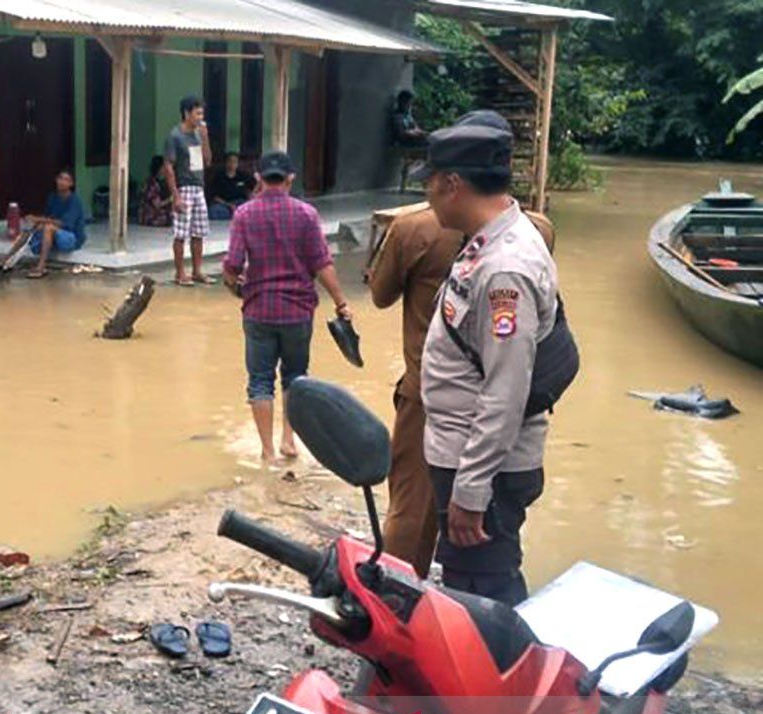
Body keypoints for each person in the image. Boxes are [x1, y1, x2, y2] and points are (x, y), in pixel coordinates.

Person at [370, 112, 556, 580]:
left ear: (453, 183)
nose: (425, 194)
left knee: (478, 577)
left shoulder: (501, 265)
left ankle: (407, 609)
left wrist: (472, 491)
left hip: (471, 440)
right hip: (459, 430)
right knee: (466, 565)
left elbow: (506, 387)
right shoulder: (520, 233)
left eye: (430, 182)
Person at [222, 150, 352, 464]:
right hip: (298, 312)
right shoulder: (306, 214)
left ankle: (267, 451)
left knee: (260, 381)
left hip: (258, 311)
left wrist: (234, 287)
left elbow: (233, 265)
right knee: (295, 376)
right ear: (290, 178)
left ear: (258, 178)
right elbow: (322, 264)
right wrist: (341, 303)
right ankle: (289, 440)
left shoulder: (244, 215)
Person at [164, 95, 214, 286]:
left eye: (202, 113)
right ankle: (180, 273)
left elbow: (208, 160)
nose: (200, 117)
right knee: (181, 233)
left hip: (199, 186)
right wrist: (175, 195)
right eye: (197, 113)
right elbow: (168, 167)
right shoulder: (175, 136)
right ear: (187, 113)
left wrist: (205, 138)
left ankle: (197, 271)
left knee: (199, 232)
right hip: (183, 187)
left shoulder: (198, 134)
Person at [24, 168, 86, 279]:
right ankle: (6, 260)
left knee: (48, 227)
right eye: (60, 178)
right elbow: (48, 217)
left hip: (72, 238)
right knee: (32, 228)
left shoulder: (74, 201)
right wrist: (37, 223)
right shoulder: (53, 197)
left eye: (66, 180)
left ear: (71, 184)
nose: (62, 182)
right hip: (56, 235)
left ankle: (41, 267)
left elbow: (64, 224)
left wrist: (39, 219)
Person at [209, 151, 256, 220]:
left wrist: (250, 196)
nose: (232, 164)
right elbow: (214, 197)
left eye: (234, 162)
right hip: (224, 205)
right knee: (213, 211)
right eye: (229, 161)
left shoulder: (243, 176)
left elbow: (252, 189)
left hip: (240, 204)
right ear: (225, 163)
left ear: (237, 164)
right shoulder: (219, 177)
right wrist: (228, 205)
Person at [138, 155, 172, 227]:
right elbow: (157, 205)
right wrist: (171, 199)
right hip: (149, 216)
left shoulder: (158, 182)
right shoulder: (151, 184)